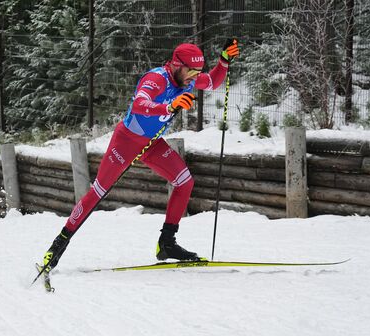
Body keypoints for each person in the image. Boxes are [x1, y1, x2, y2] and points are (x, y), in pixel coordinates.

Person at [40, 39, 240, 272]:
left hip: (152, 143)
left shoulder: (190, 78)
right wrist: (169, 106)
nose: (194, 77)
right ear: (176, 64)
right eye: (191, 71)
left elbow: (214, 82)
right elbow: (139, 104)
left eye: (197, 72)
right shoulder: (156, 79)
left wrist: (224, 61)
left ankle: (167, 244)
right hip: (126, 142)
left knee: (184, 182)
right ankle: (57, 246)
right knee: (98, 192)